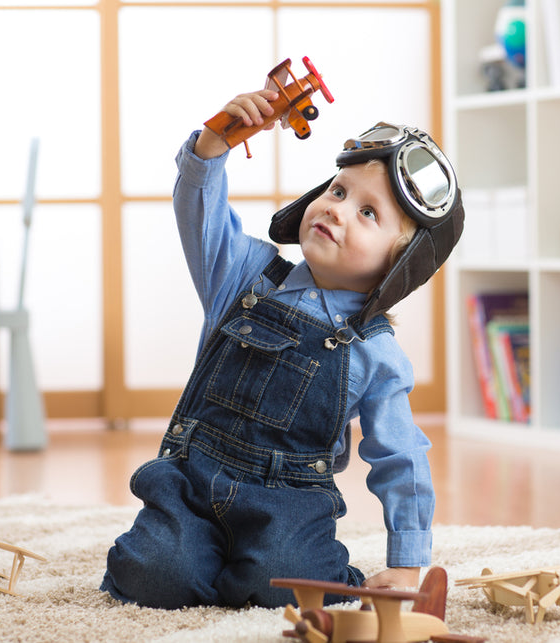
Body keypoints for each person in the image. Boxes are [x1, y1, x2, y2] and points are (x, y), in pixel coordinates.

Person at [100, 87, 464, 609]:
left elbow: (401, 456)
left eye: (368, 213)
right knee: (153, 575)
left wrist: (407, 563)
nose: (337, 211)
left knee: (290, 587)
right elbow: (196, 212)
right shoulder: (245, 275)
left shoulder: (374, 351)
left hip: (288, 504)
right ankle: (202, 558)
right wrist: (214, 141)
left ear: (398, 266)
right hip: (193, 485)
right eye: (337, 192)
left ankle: (245, 570)